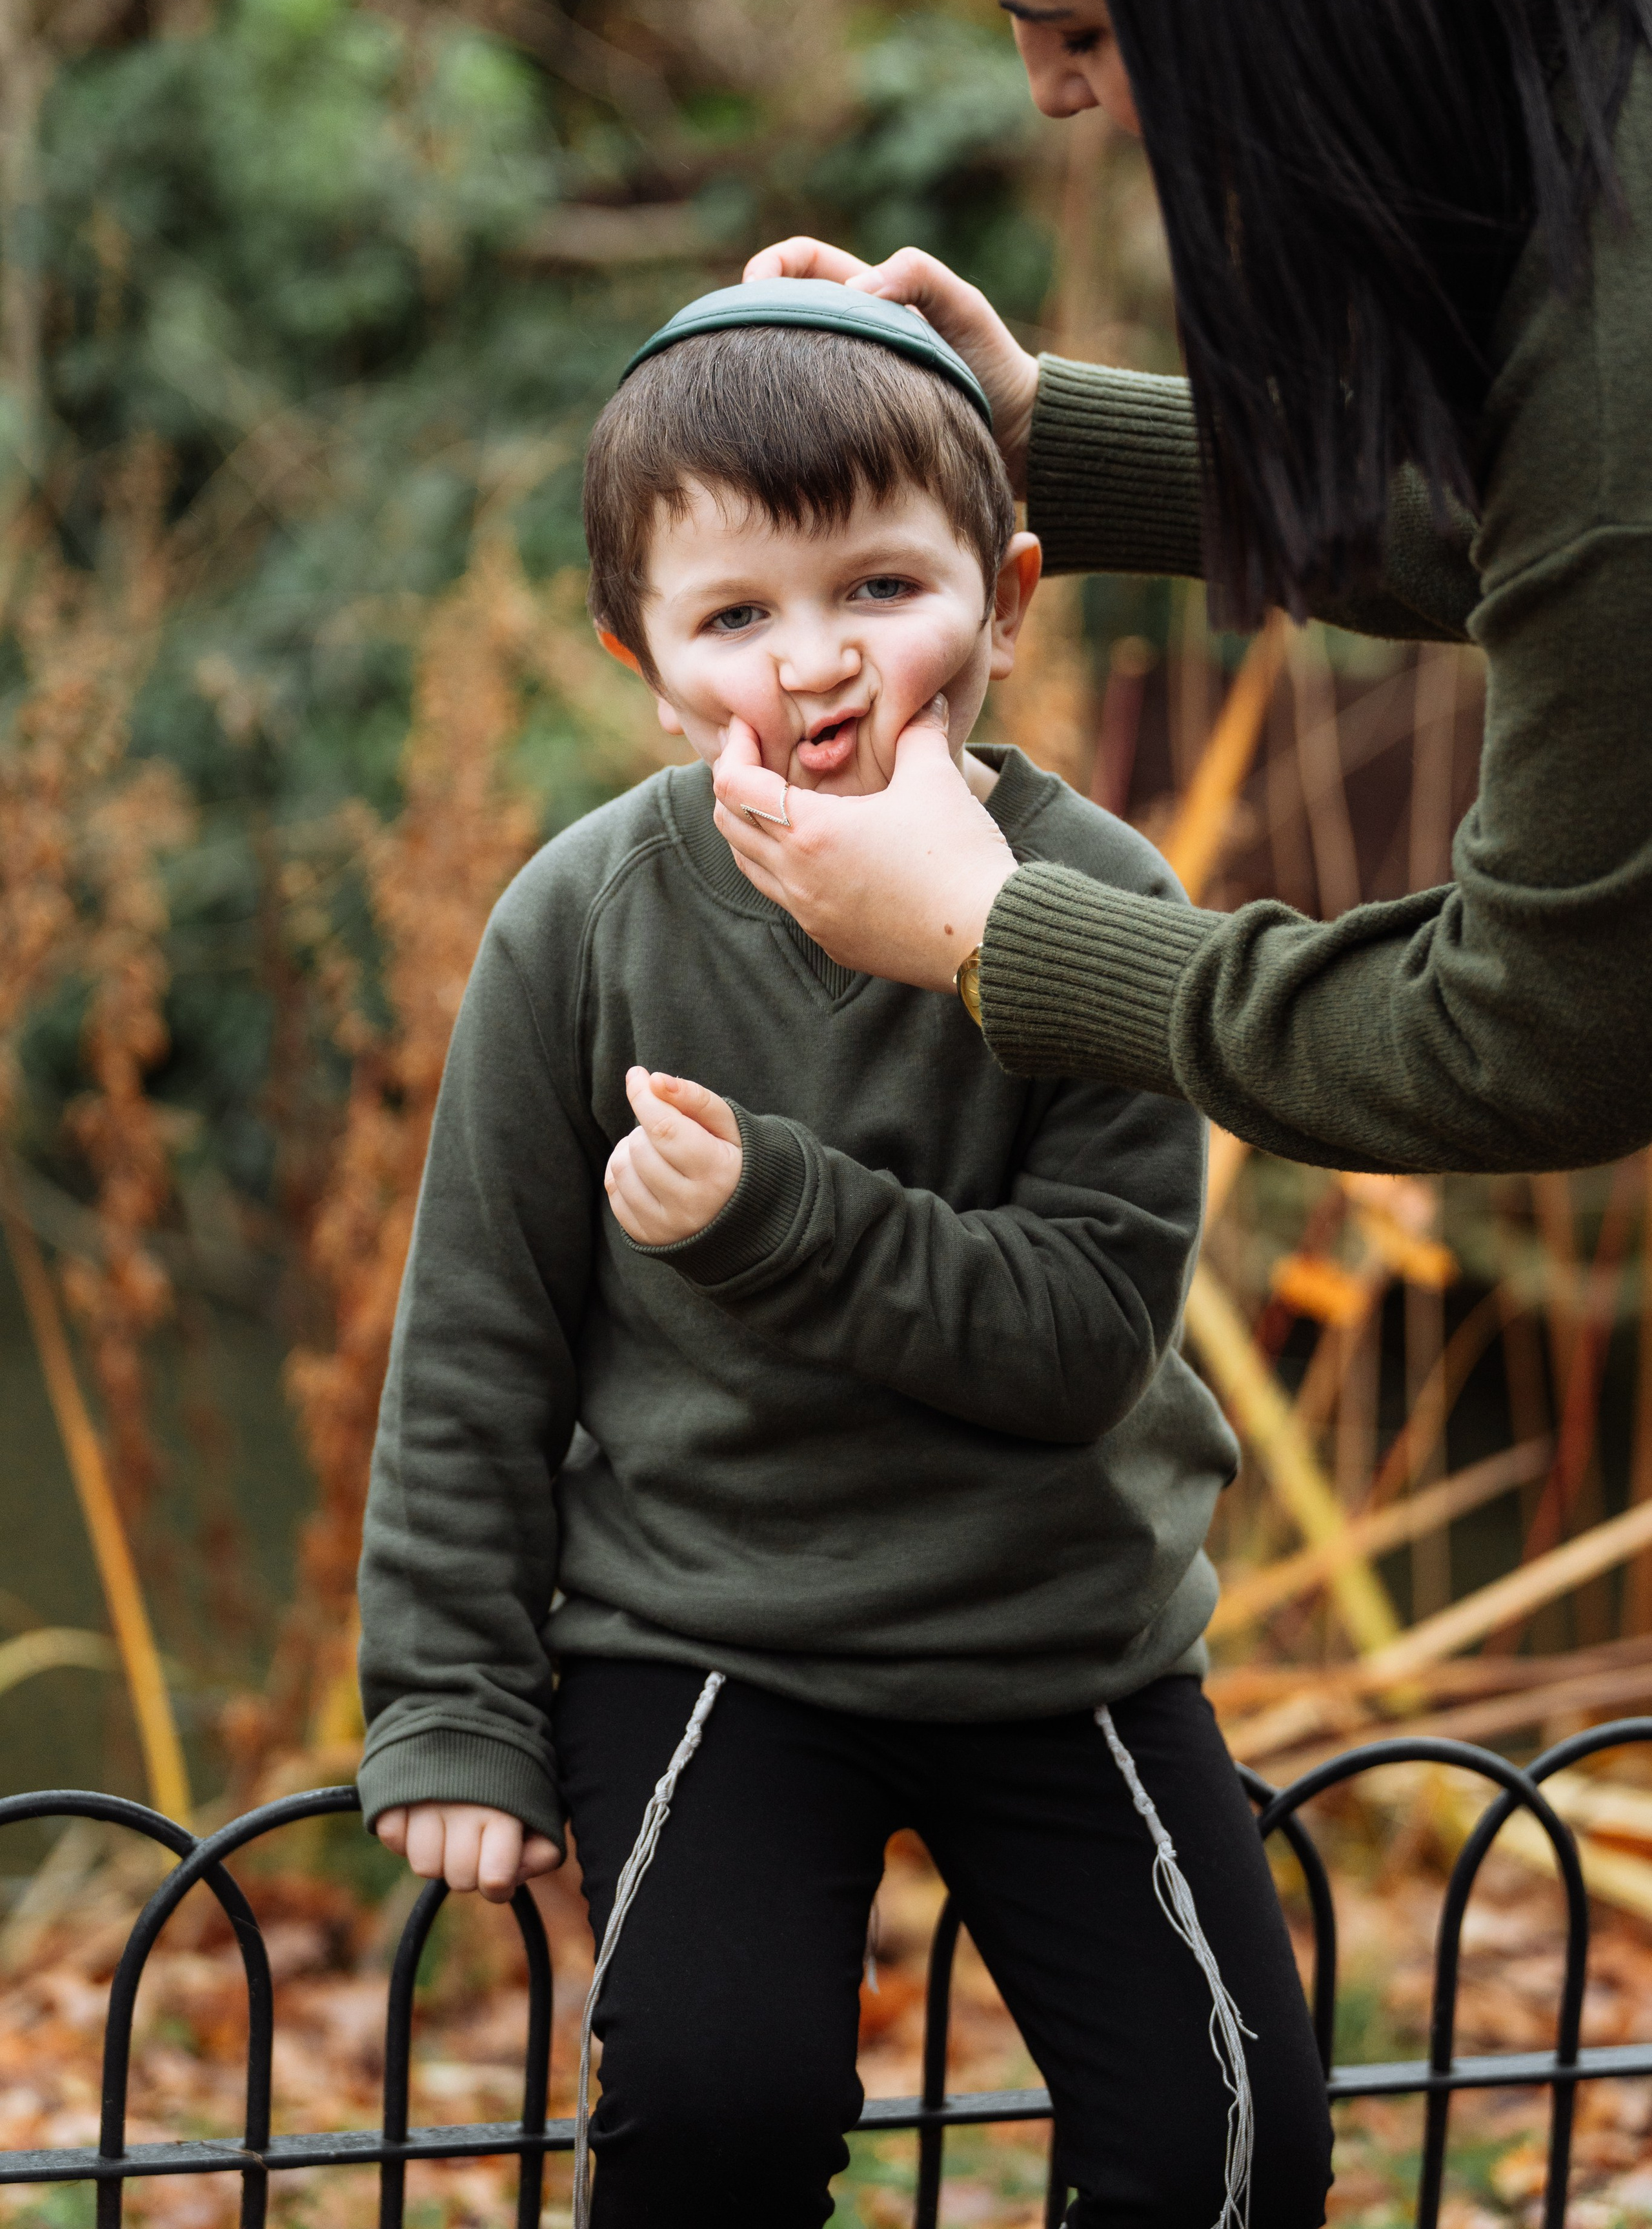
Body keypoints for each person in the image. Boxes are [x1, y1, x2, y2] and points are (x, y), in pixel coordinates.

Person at [355, 282, 1333, 2228]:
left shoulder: (1100, 909)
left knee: (1228, 2147)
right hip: (708, 1627)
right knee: (714, 2109)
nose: (812, 661)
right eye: (734, 617)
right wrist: (448, 1697)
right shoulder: (581, 922)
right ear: (645, 660)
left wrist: (772, 1220)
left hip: (1060, 1632)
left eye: (880, 587)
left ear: (1008, 597)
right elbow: (477, 1338)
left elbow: (1082, 1337)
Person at [714, 0, 1652, 1180]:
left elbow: (1528, 1043)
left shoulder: (1610, 341)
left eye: (1082, 29)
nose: (1050, 93)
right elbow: (1547, 524)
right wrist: (1037, 432)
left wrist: (992, 927)